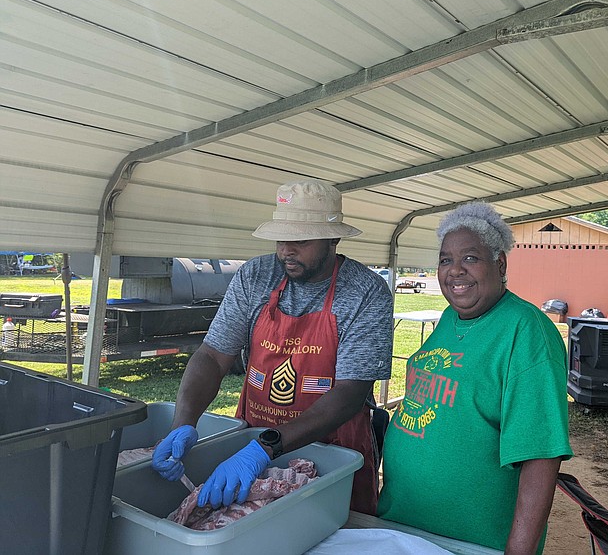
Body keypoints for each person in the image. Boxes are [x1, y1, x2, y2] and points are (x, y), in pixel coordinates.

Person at [152, 179, 393, 515]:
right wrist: (183, 422)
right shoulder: (256, 276)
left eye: (300, 240)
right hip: (254, 441)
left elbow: (350, 393)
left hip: (333, 452)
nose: (286, 251)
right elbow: (212, 355)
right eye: (282, 239)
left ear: (333, 238)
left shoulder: (366, 291)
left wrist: (266, 447)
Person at [377, 201, 573, 554]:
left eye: (470, 258)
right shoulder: (451, 318)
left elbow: (541, 454)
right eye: (445, 260)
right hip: (403, 522)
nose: (455, 271)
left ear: (499, 264)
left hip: (472, 541)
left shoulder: (526, 332)